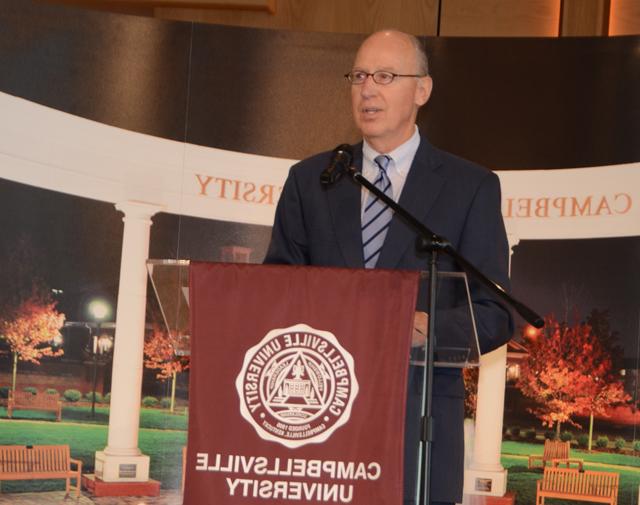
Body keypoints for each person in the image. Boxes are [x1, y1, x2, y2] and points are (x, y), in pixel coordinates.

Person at [264, 29, 513, 505]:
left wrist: (423, 327)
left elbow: (495, 312)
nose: (367, 89)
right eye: (358, 76)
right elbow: (277, 290)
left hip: (419, 422)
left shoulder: (470, 187)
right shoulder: (311, 180)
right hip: (319, 420)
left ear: (422, 90)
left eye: (385, 76)